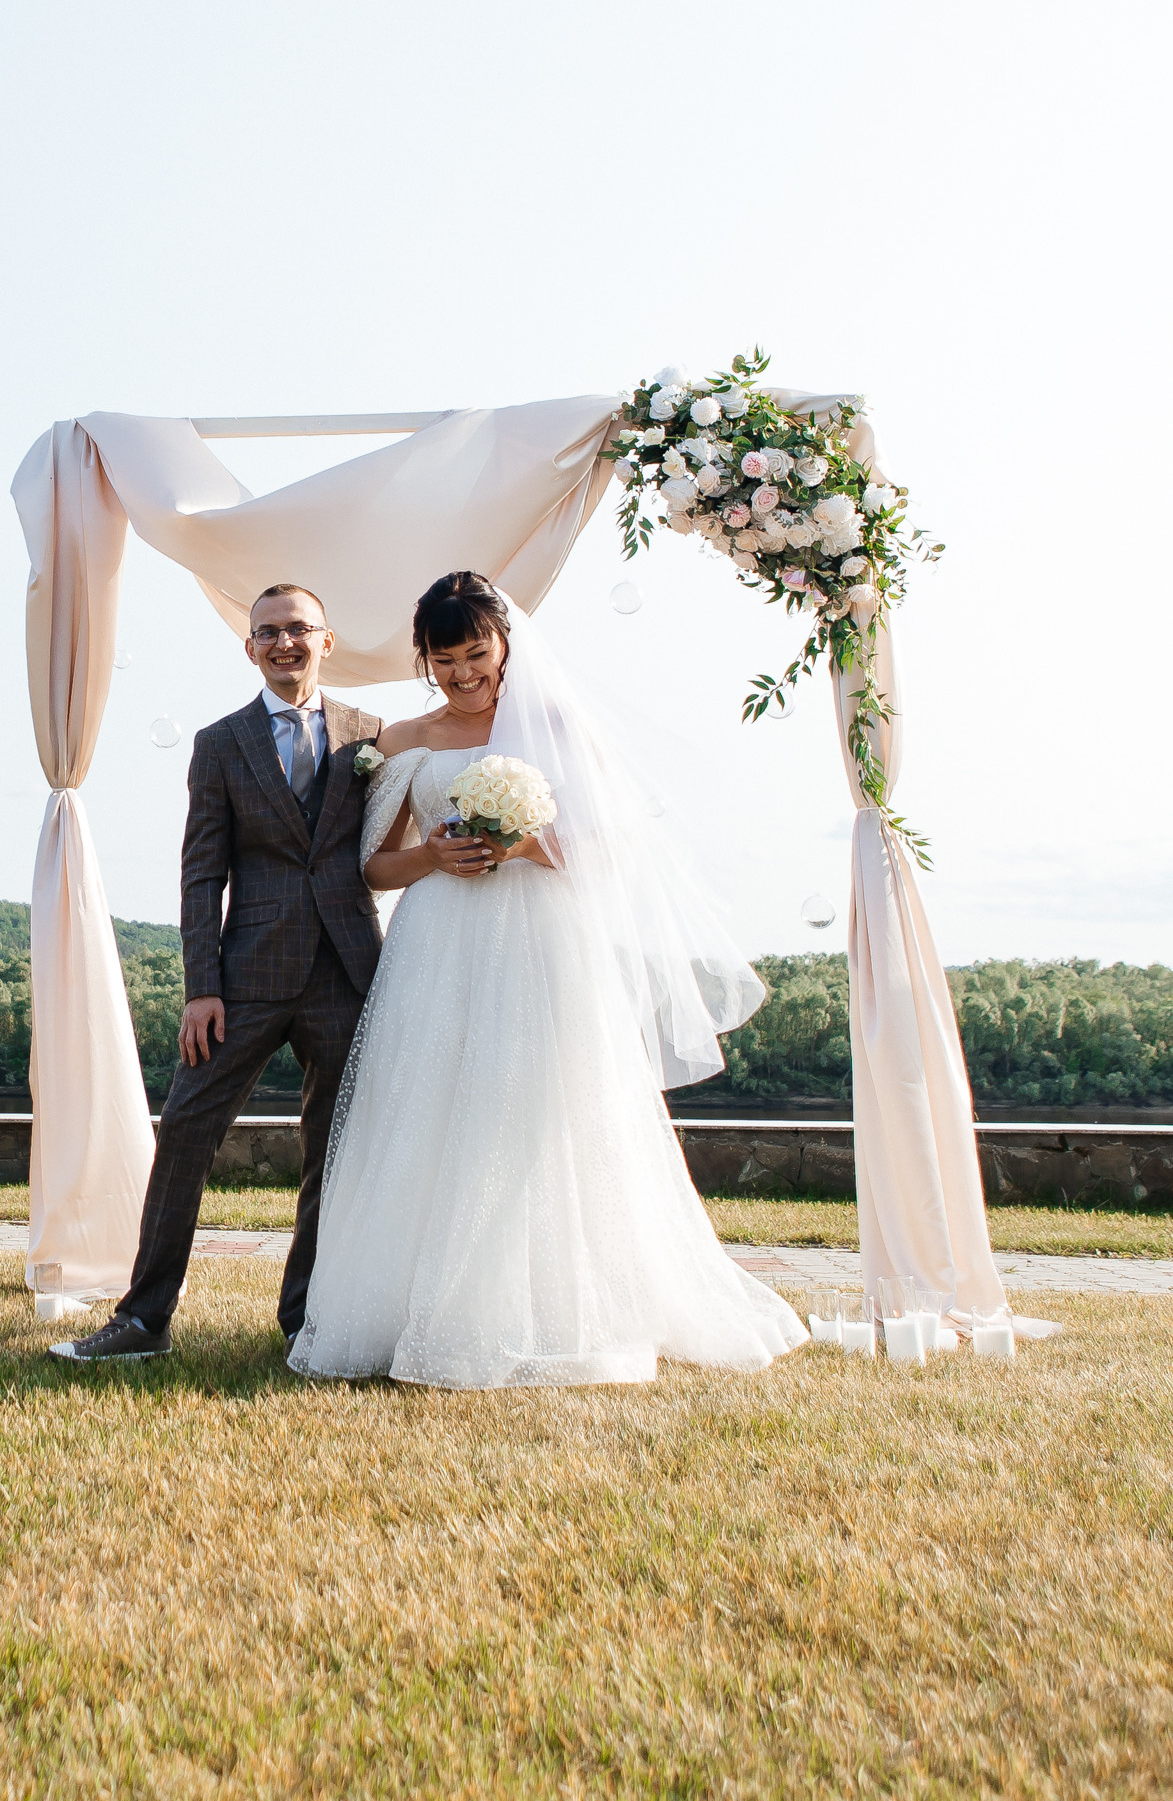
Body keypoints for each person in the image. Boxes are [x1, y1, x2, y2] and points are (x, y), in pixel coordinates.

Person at [288, 569, 803, 1388]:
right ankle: (406, 1314)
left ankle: (555, 1311)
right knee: (432, 1107)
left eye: (476, 653)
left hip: (540, 941)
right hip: (437, 943)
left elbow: (605, 854)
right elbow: (370, 866)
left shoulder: (554, 725)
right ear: (423, 658)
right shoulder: (398, 741)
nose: (462, 674)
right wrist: (432, 856)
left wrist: (524, 843)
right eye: (444, 658)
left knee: (540, 1111)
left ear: (503, 646)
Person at [53, 584, 387, 1362]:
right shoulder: (219, 742)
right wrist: (200, 985)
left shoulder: (372, 737)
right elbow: (201, 873)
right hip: (239, 980)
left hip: (346, 973)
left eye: (297, 629)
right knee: (186, 1138)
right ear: (249, 649)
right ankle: (143, 1319)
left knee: (333, 1150)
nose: (283, 643)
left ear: (326, 640)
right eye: (266, 632)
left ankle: (308, 1323)